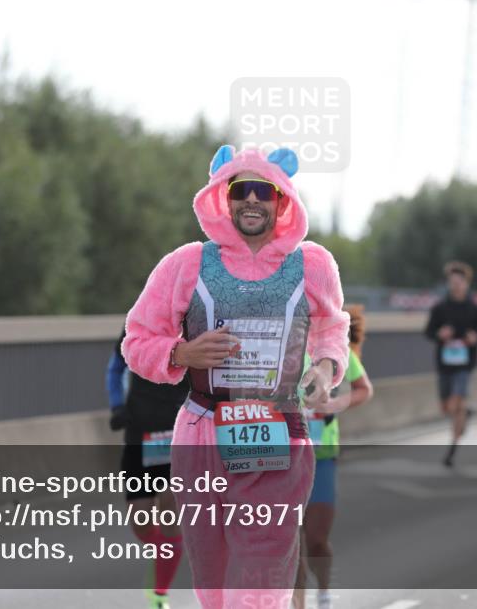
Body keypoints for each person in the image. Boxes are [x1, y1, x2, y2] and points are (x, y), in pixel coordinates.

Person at [122, 145, 350, 609]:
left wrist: (325, 370)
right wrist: (182, 351)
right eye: (239, 189)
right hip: (202, 433)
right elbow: (136, 341)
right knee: (214, 577)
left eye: (262, 190)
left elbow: (331, 330)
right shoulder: (186, 265)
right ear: (222, 197)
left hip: (279, 431)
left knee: (264, 576)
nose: (251, 200)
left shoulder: (312, 265)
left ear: (282, 200)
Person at [294, 305, 374, 609]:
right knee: (291, 544)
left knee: (316, 540)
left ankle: (324, 591)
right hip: (283, 457)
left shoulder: (337, 352)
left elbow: (364, 389)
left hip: (322, 456)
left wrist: (337, 403)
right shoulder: (277, 350)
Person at [106, 330, 189, 608]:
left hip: (178, 434)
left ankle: (159, 594)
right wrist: (117, 406)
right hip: (139, 434)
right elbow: (115, 368)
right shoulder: (136, 323)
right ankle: (166, 551)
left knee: (169, 510)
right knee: (140, 522)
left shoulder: (194, 322)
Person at [424, 260, 477, 467]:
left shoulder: (475, 310)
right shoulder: (440, 308)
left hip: (465, 364)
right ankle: (465, 413)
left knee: (457, 402)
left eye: (459, 281)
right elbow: (428, 332)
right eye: (452, 281)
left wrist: (475, 337)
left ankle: (452, 449)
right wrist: (439, 334)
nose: (455, 285)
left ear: (466, 283)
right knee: (446, 407)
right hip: (445, 364)